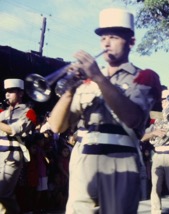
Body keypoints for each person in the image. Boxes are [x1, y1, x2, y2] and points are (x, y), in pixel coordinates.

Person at [48, 7, 162, 214]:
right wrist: (69, 90)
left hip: (121, 159)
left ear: (131, 41)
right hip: (84, 159)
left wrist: (99, 78)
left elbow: (132, 118)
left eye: (114, 37)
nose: (106, 43)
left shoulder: (144, 76)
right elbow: (57, 126)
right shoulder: (87, 82)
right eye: (103, 38)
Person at [141, 89, 169, 214]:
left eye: (167, 98)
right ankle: (156, 211)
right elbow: (142, 137)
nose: (164, 102)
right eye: (163, 99)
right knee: (155, 187)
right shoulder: (157, 116)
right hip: (157, 154)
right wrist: (154, 133)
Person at [0, 78, 37, 213]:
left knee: (3, 193)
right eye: (6, 92)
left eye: (11, 91)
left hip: (12, 157)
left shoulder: (28, 112)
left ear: (20, 93)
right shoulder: (2, 113)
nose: (7, 95)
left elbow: (15, 130)